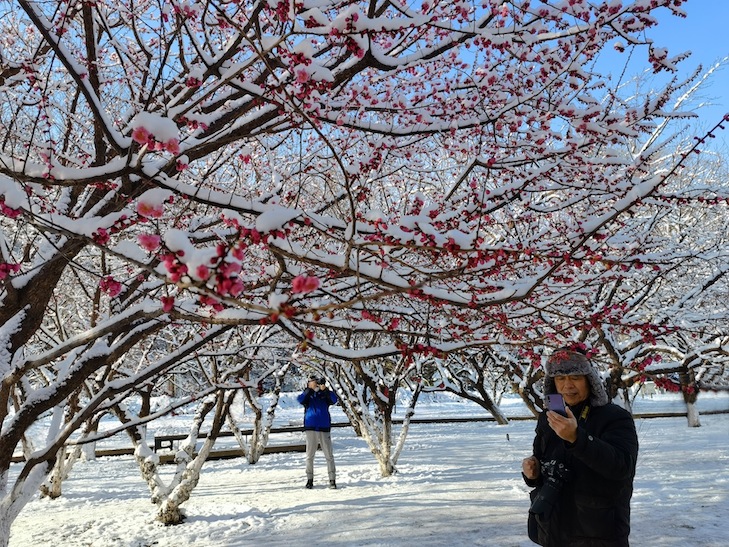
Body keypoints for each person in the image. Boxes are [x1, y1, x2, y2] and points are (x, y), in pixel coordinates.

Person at [522, 348, 639, 547]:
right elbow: (543, 460)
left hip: (599, 533)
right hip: (553, 529)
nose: (567, 386)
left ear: (589, 380)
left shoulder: (614, 417)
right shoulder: (549, 417)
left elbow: (622, 467)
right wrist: (532, 473)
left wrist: (577, 439)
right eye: (560, 379)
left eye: (575, 377)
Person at [297, 375, 338, 489]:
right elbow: (300, 400)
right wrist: (309, 389)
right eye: (313, 382)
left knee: (329, 455)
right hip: (311, 427)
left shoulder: (324, 394)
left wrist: (325, 389)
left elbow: (334, 400)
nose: (316, 384)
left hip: (324, 427)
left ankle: (332, 479)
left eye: (317, 382)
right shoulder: (308, 395)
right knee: (310, 455)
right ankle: (309, 479)